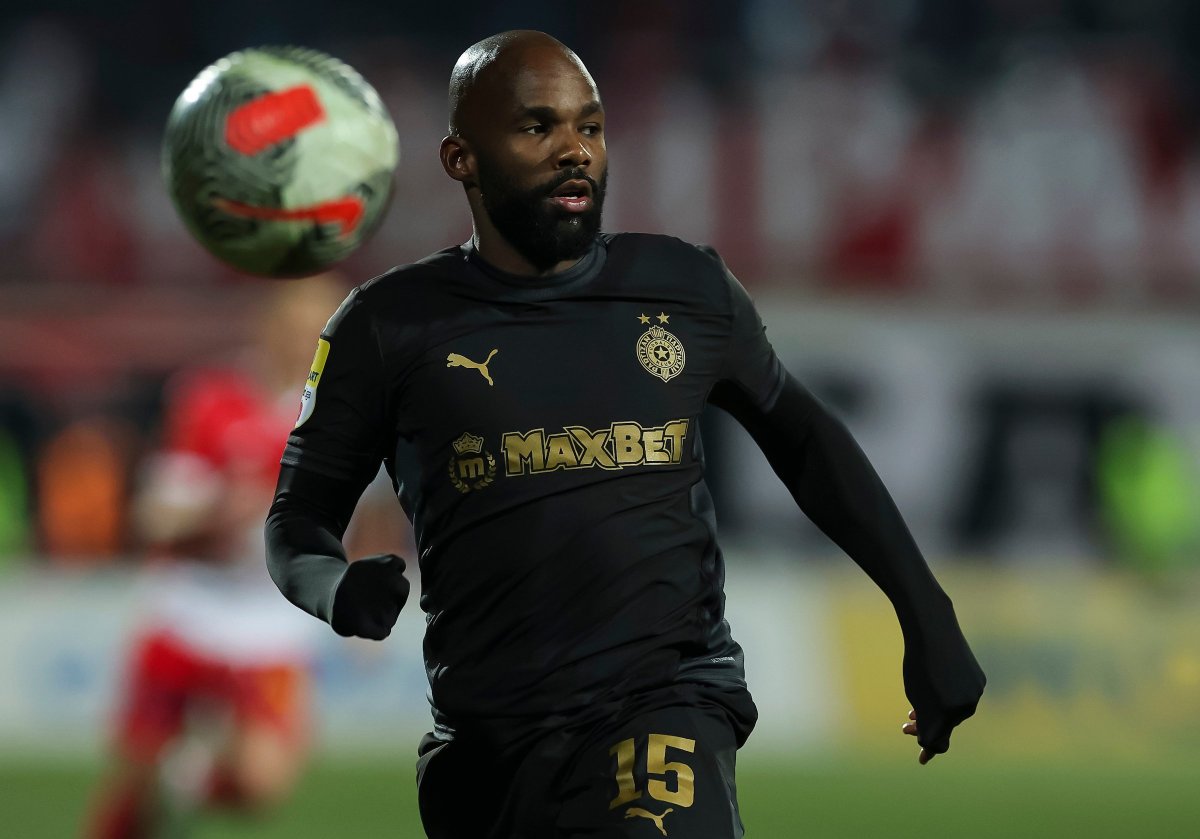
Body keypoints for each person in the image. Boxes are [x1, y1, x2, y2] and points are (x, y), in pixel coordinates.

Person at [265, 30, 986, 839]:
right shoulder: (386, 325)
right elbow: (298, 519)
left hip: (664, 700)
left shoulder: (686, 289)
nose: (575, 149)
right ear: (461, 158)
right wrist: (334, 589)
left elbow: (807, 442)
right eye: (537, 127)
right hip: (487, 748)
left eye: (591, 126)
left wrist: (926, 614)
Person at [86, 277, 351, 839]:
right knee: (133, 792)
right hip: (189, 611)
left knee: (261, 784)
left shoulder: (343, 419)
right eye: (299, 327)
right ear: (268, 327)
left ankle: (187, 778)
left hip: (271, 625)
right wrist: (220, 509)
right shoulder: (212, 398)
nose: (310, 342)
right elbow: (155, 516)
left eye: (324, 330)